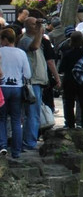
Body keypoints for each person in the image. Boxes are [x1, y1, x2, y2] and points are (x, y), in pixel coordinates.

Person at [18, 18, 60, 151]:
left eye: (38, 24)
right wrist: (40, 32)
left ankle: (30, 140)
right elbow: (34, 47)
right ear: (27, 26)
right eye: (33, 24)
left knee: (34, 113)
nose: (37, 26)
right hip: (32, 82)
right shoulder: (25, 40)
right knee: (32, 113)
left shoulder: (39, 39)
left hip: (38, 81)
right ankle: (29, 142)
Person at [0, 27, 31, 157]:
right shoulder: (21, 53)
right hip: (17, 88)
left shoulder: (0, 52)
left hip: (2, 87)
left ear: (5, 40)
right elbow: (28, 74)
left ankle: (2, 146)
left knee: (1, 119)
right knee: (16, 119)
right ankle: (16, 150)